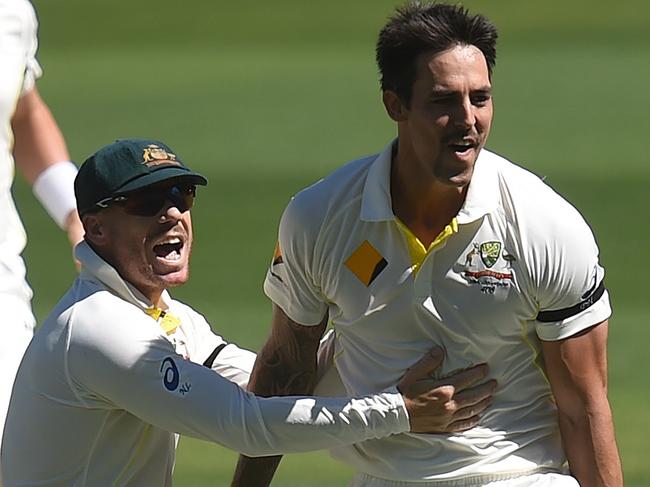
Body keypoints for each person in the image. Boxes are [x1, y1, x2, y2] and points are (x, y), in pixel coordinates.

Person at [231, 3, 623, 487]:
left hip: (520, 474)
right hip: (381, 478)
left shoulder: (547, 225)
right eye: (443, 101)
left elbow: (583, 406)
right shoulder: (319, 216)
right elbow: (285, 369)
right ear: (395, 105)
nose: (468, 120)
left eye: (480, 98)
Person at [0, 138, 497, 486]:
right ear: (97, 228)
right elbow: (246, 425)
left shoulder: (165, 316)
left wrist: (358, 334)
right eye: (148, 201)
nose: (173, 212)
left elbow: (264, 379)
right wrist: (402, 413)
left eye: (182, 194)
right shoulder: (100, 330)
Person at [0, 0, 82, 464]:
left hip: (1, 293)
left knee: (21, 460)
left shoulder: (10, 13)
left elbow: (21, 109)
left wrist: (74, 212)